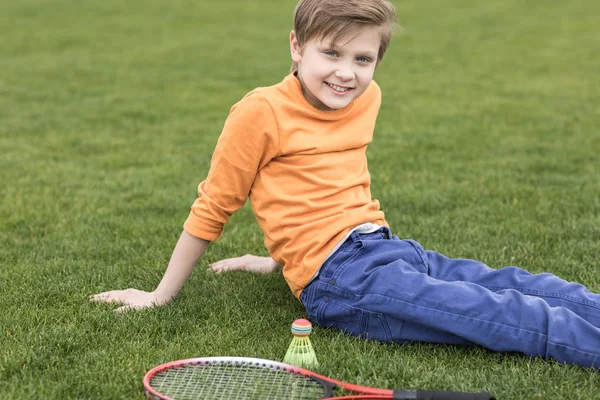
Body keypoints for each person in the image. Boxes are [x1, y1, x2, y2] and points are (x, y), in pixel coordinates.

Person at [90, 0, 600, 370]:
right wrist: (159, 296)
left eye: (362, 59)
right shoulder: (260, 112)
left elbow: (327, 187)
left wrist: (276, 257)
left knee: (527, 284)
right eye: (331, 54)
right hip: (343, 284)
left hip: (383, 246)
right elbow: (214, 206)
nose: (346, 75)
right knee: (506, 313)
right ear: (296, 46)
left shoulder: (367, 97)